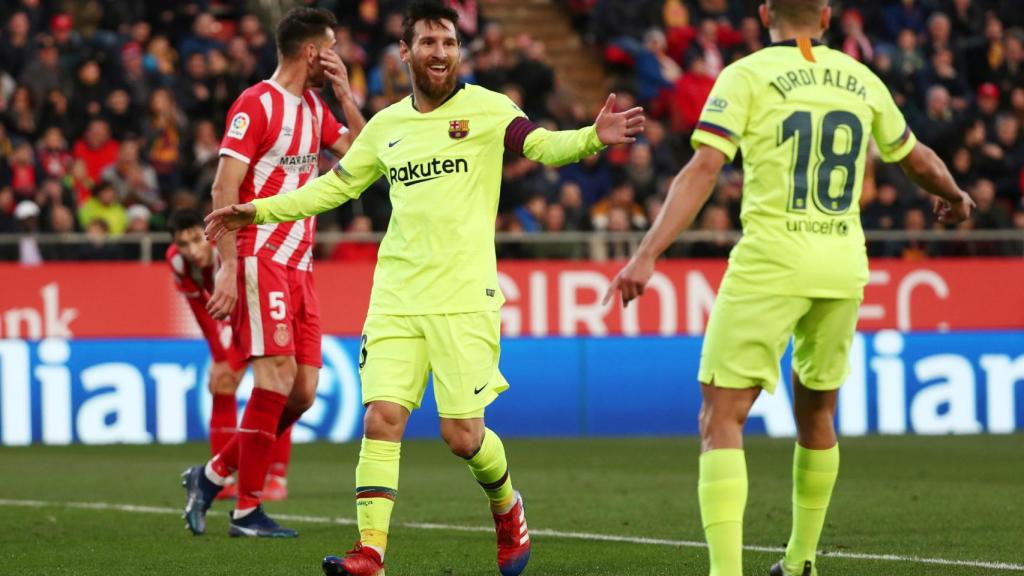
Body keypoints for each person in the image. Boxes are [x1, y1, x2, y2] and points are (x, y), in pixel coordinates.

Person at [204, 1, 643, 572]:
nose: (440, 52)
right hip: (396, 298)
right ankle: (371, 552)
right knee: (381, 418)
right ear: (405, 53)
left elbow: (539, 145)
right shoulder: (385, 127)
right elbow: (329, 190)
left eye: (449, 42)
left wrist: (591, 137)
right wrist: (256, 212)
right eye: (429, 43)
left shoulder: (487, 108)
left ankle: (507, 507)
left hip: (464, 298)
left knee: (462, 436)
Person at [603, 1, 973, 575]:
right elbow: (914, 157)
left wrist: (646, 254)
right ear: (826, 16)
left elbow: (703, 169)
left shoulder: (746, 75)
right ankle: (802, 560)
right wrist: (954, 194)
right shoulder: (862, 78)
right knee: (818, 414)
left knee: (721, 416)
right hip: (843, 263)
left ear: (766, 12)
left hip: (773, 260)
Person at [181, 6, 365, 538]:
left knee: (302, 393)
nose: (336, 58)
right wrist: (226, 266)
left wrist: (347, 98)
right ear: (312, 53)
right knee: (276, 377)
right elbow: (223, 189)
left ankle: (212, 475)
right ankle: (247, 510)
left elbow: (366, 154)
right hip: (260, 256)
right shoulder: (256, 104)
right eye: (330, 49)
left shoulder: (314, 109)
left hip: (301, 263)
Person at [167, 209, 294, 502]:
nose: (191, 250)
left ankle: (276, 477)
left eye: (196, 239)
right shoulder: (176, 261)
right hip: (233, 317)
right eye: (183, 244)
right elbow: (201, 309)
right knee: (222, 381)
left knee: (278, 389)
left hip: (262, 306)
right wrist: (219, 354)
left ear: (208, 233)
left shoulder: (230, 246)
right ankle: (221, 479)